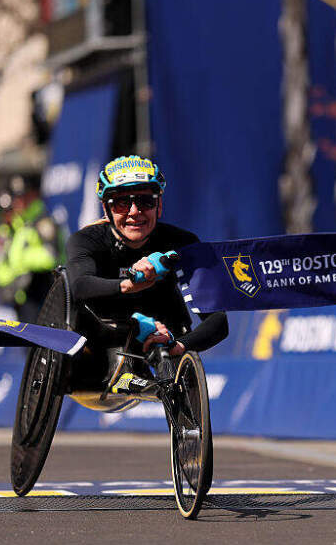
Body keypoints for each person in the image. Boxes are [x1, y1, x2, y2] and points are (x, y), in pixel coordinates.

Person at [65, 155, 228, 392]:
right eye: (121, 202)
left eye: (145, 201)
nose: (134, 211)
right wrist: (128, 285)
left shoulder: (183, 242)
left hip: (163, 330)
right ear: (106, 208)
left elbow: (218, 320)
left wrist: (180, 346)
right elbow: (79, 286)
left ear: (159, 205)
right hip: (99, 334)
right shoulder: (87, 240)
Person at [0, 178, 64, 322]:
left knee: (42, 340)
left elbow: (50, 256)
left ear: (31, 196)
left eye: (22, 197)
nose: (18, 202)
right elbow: (7, 261)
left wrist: (23, 261)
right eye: (16, 198)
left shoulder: (42, 220)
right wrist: (7, 282)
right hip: (25, 295)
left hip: (45, 291)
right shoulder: (20, 224)